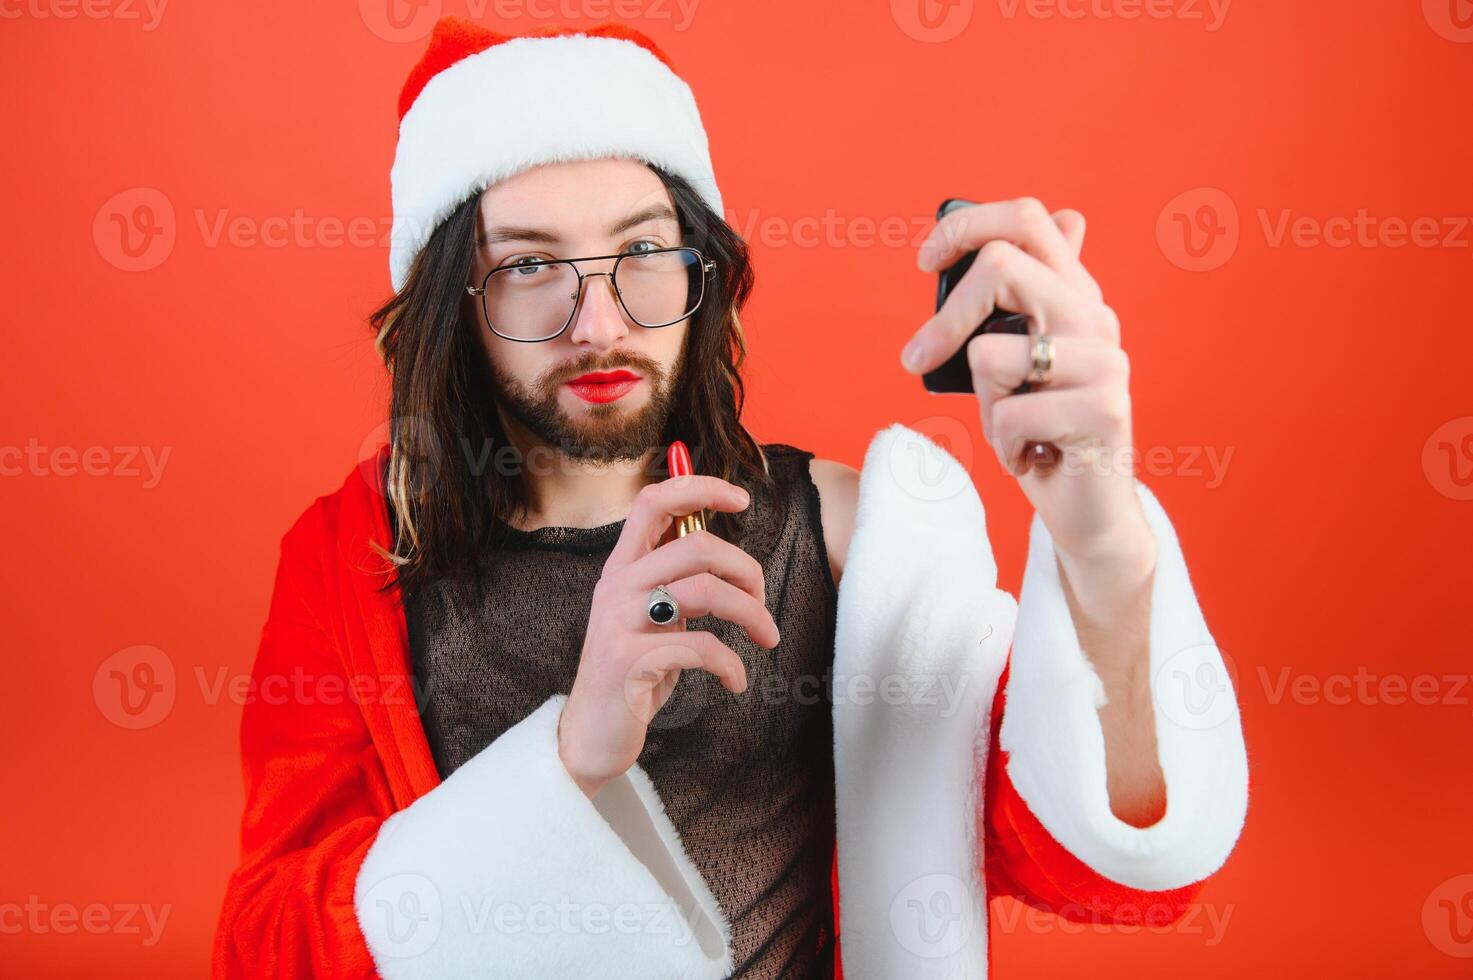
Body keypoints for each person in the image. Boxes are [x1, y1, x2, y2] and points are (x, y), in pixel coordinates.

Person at [211, 16, 1249, 980]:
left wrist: (1101, 539)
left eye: (643, 251)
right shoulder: (356, 560)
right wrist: (573, 755)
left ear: (702, 265)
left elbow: (1109, 865)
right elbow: (264, 947)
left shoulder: (852, 535)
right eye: (529, 265)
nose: (598, 321)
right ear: (453, 306)